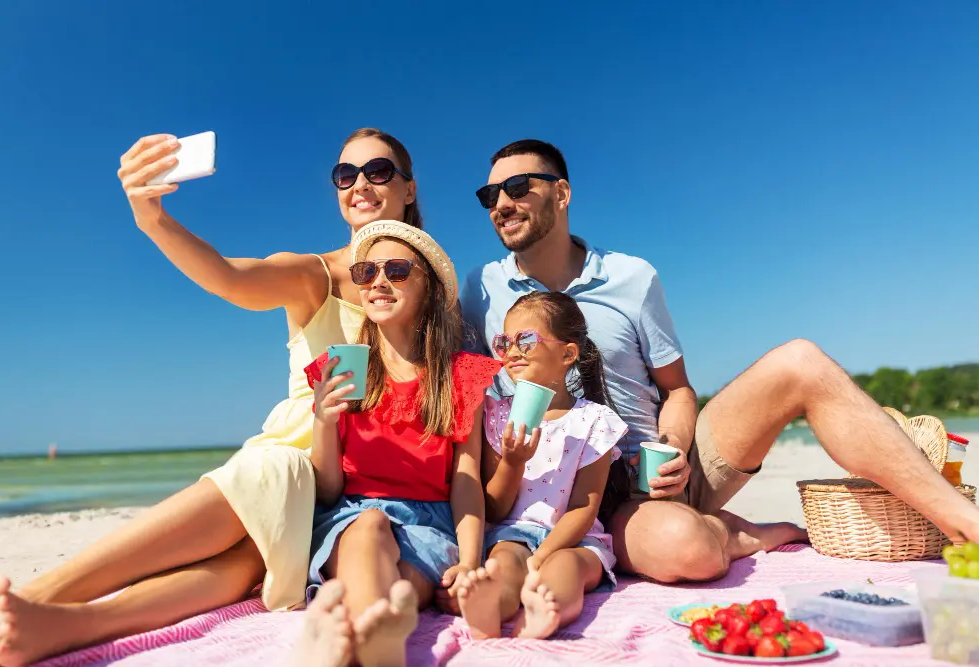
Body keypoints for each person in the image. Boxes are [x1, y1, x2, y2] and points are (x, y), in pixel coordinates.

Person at [0, 128, 420, 667]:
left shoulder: (433, 293)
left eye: (377, 172)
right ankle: (34, 601)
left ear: (409, 188)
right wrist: (154, 220)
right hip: (300, 457)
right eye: (344, 175)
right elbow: (229, 277)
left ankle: (63, 626)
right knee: (271, 480)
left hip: (367, 489)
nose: (358, 185)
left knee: (239, 572)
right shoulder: (316, 275)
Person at [460, 138, 979, 585]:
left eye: (519, 186)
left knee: (800, 361)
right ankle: (736, 533)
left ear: (562, 193)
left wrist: (673, 448)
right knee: (688, 551)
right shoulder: (481, 291)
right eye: (490, 195)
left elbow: (679, 390)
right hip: (577, 499)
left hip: (655, 470)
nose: (501, 203)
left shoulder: (632, 278)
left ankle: (960, 520)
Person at [295, 220, 500, 667]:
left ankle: (361, 639)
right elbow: (329, 492)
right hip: (354, 516)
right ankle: (375, 638)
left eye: (398, 270)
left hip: (431, 525)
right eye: (366, 272)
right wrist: (324, 423)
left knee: (404, 585)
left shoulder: (461, 375)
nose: (379, 282)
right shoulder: (340, 368)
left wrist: (469, 560)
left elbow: (465, 480)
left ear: (428, 288)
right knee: (370, 530)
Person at [456, 292, 627, 641]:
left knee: (566, 570)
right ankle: (491, 610)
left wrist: (545, 555)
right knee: (503, 560)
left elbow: (583, 507)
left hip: (575, 540)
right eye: (504, 342)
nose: (513, 352)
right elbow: (495, 507)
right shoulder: (496, 414)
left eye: (527, 340)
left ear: (567, 354)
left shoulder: (594, 420)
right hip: (513, 532)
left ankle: (544, 614)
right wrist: (514, 462)